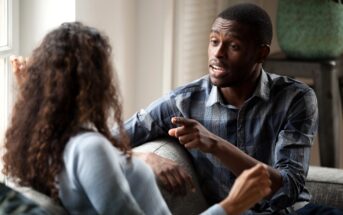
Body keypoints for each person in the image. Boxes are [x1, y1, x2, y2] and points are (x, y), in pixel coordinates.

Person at [4, 22, 271, 215]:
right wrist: (231, 205)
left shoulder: (51, 139)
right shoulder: (88, 147)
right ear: (95, 83)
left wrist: (143, 156)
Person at [121, 3, 342, 214]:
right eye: (214, 41)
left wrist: (216, 145)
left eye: (233, 46)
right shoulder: (182, 102)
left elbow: (289, 188)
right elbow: (101, 139)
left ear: (261, 53)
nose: (218, 53)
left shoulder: (296, 98)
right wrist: (144, 157)